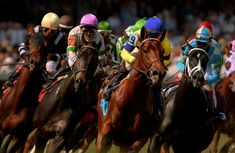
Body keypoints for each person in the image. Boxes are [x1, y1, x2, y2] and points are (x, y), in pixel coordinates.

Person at [102, 16, 173, 118]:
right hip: (139, 50)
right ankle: (111, 87)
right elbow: (125, 52)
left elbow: (166, 61)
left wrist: (156, 66)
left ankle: (157, 107)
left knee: (158, 79)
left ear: (162, 35)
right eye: (150, 35)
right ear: (145, 32)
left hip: (154, 57)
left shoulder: (166, 44)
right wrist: (132, 60)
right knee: (126, 65)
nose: (152, 38)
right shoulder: (136, 35)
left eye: (156, 36)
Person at [2, 12, 69, 89]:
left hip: (51, 58)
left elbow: (64, 54)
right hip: (36, 56)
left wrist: (54, 56)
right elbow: (22, 46)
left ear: (57, 29)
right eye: (45, 29)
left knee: (49, 66)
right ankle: (11, 79)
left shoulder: (61, 37)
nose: (48, 33)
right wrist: (27, 59)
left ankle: (52, 86)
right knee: (26, 63)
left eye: (53, 31)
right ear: (42, 26)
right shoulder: (35, 31)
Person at [175, 21, 225, 120]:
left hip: (208, 67)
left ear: (210, 39)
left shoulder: (216, 49)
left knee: (209, 86)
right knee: (179, 78)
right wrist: (185, 73)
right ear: (196, 38)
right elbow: (179, 62)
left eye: (204, 44)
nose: (201, 46)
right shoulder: (191, 42)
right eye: (199, 43)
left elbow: (216, 75)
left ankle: (212, 110)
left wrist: (206, 81)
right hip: (192, 67)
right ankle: (166, 98)